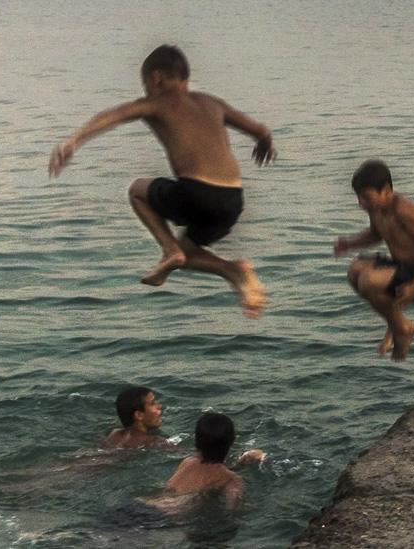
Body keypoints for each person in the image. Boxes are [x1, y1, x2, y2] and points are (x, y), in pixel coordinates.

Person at [48, 44, 275, 318]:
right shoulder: (212, 103)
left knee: (137, 191)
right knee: (190, 254)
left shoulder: (155, 103)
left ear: (156, 78)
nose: (144, 90)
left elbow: (113, 115)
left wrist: (75, 139)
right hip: (232, 200)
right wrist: (264, 144)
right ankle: (234, 271)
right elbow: (261, 130)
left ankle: (168, 250)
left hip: (196, 193)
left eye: (144, 84)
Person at [334, 160, 414, 361]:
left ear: (386, 190)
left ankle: (401, 331)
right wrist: (349, 243)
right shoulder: (376, 209)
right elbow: (375, 235)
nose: (361, 204)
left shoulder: (405, 210)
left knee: (369, 281)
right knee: (354, 271)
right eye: (359, 198)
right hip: (403, 268)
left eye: (366, 197)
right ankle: (400, 327)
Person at [156, 412, 264, 511]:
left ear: (196, 441)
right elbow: (232, 512)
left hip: (148, 506)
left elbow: (207, 475)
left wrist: (240, 465)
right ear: (232, 441)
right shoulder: (232, 480)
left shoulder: (187, 462)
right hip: (164, 517)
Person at [104, 386, 173, 449]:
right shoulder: (155, 441)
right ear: (139, 415)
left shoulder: (113, 433)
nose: (159, 406)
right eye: (152, 403)